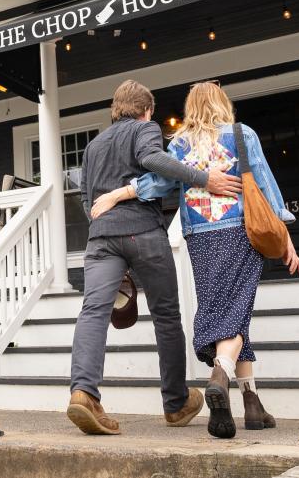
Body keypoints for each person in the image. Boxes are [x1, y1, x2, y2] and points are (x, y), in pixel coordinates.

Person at [90, 81, 299, 439]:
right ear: (222, 103)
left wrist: (118, 194)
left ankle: (252, 403)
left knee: (228, 310)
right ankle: (220, 373)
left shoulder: (179, 144)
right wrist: (285, 236)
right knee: (234, 312)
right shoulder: (242, 134)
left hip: (200, 237)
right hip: (239, 231)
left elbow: (157, 183)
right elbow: (265, 185)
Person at [66, 79, 243, 436]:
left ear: (116, 109)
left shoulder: (94, 145)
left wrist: (102, 223)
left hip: (101, 238)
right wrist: (203, 178)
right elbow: (151, 159)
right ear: (147, 110)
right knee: (166, 316)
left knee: (93, 312)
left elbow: (87, 198)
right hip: (143, 232)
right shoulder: (145, 128)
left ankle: (83, 393)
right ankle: (176, 403)